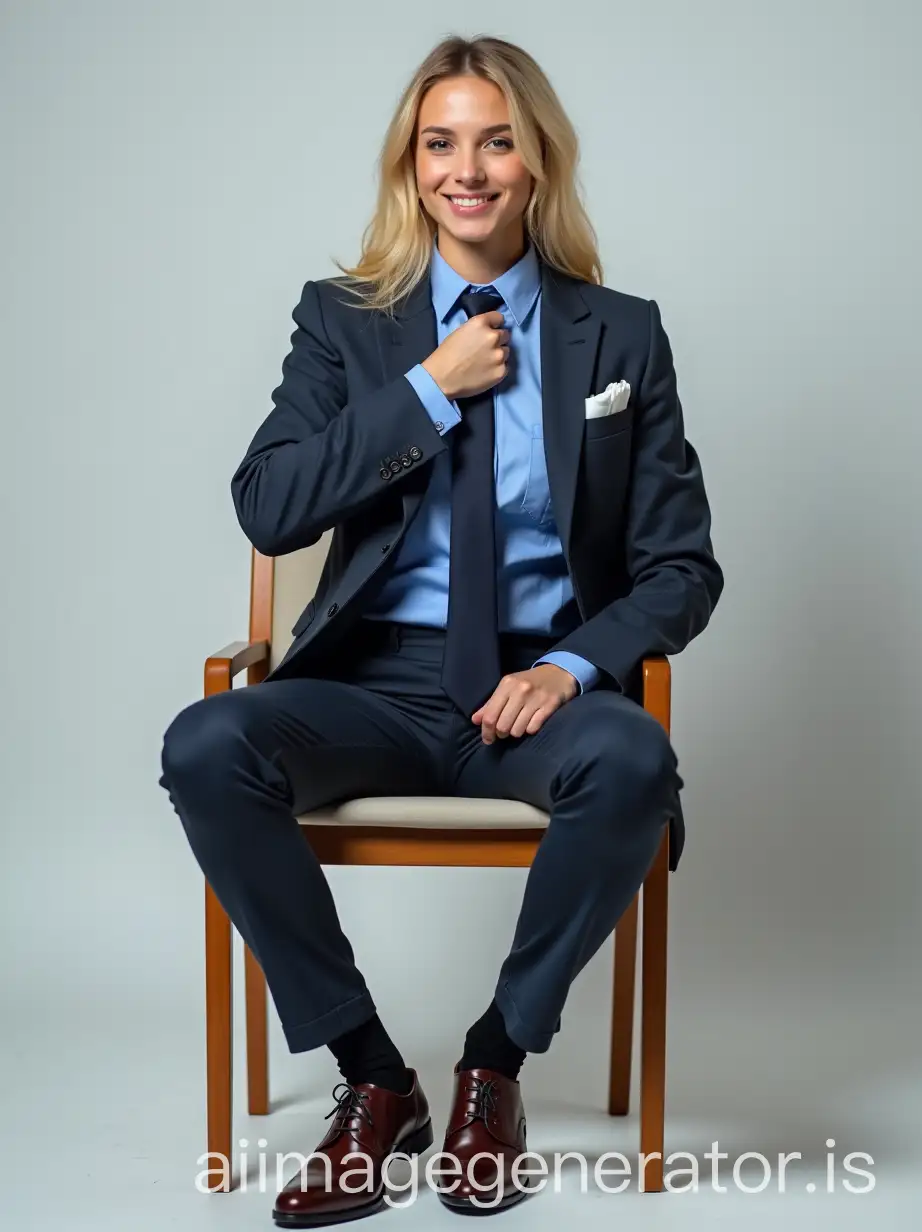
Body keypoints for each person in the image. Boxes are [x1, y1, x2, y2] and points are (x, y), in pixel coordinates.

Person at [159, 32, 723, 1226]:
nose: (467, 168)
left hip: (532, 693)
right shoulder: (343, 321)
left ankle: (493, 1067)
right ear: (411, 169)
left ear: (537, 160)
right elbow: (268, 507)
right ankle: (372, 1077)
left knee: (632, 757)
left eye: (496, 139)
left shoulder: (618, 335)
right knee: (208, 740)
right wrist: (428, 384)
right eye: (440, 143)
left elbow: (682, 569)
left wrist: (573, 667)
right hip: (369, 685)